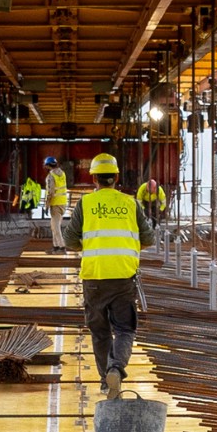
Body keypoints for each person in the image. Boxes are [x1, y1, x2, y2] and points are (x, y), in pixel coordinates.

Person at [65, 152, 154, 399]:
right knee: (124, 329)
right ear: (116, 176)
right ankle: (116, 367)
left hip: (94, 277)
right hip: (124, 277)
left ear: (93, 178)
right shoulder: (131, 203)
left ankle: (105, 381)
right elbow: (148, 238)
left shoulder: (85, 204)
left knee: (100, 332)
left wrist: (92, 247)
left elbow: (70, 240)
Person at [43, 155, 70, 253]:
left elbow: (50, 192)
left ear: (47, 165)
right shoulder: (62, 173)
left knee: (56, 227)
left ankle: (62, 247)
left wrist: (46, 205)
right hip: (63, 202)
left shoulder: (51, 176)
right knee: (54, 226)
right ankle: (56, 247)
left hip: (55, 204)